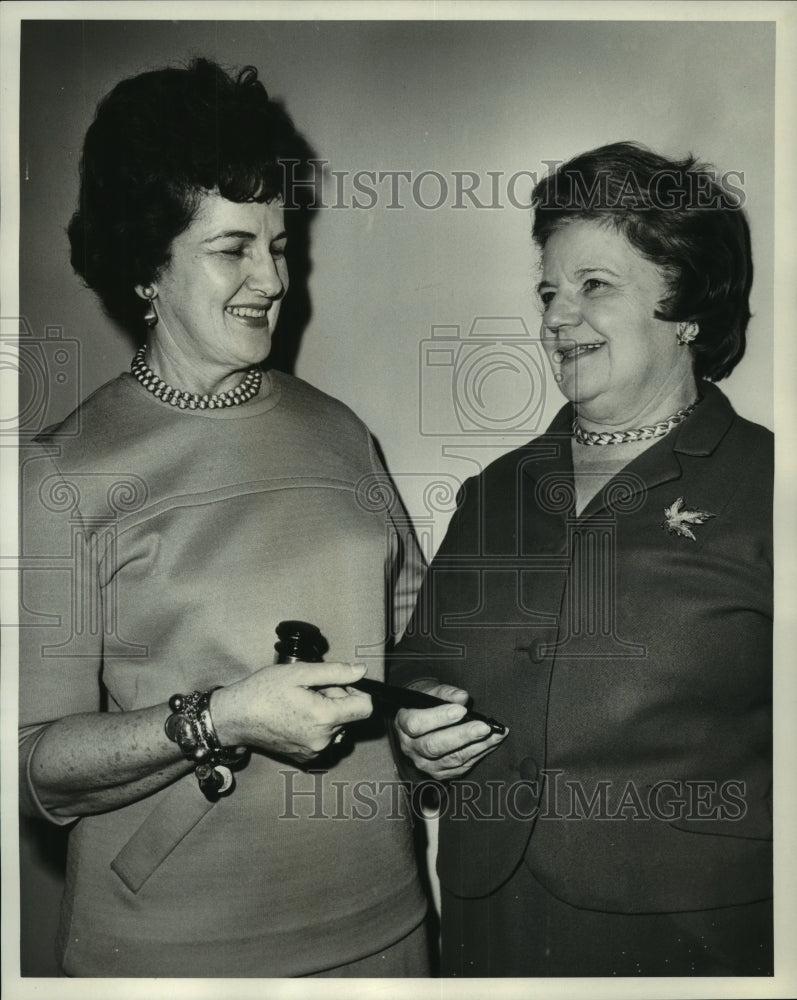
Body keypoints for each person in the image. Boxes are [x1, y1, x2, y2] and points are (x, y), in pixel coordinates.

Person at [18, 58, 430, 978]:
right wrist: (220, 720)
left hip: (387, 927)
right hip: (178, 953)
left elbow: (419, 648)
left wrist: (434, 722)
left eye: (280, 246)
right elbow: (33, 764)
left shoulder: (338, 429)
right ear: (147, 266)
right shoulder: (60, 470)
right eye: (232, 248)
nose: (272, 278)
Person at [390, 141, 773, 976]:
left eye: (593, 287)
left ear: (685, 307)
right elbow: (418, 664)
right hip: (494, 920)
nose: (556, 318)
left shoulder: (767, 487)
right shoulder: (496, 489)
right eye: (547, 292)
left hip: (689, 934)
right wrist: (415, 726)